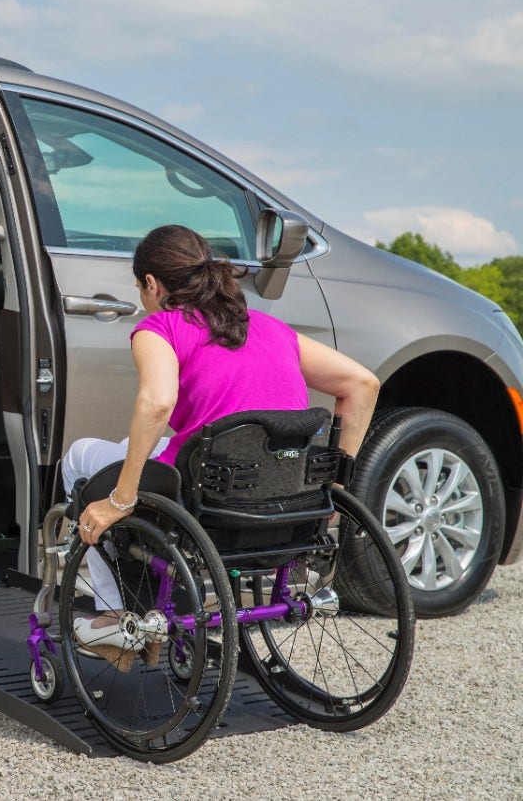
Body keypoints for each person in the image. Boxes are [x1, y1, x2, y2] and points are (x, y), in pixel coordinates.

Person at [63, 224, 380, 669]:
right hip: (283, 495)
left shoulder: (161, 326)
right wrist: (335, 492)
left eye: (141, 289)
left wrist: (121, 498)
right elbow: (363, 385)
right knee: (159, 445)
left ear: (152, 285)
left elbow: (157, 403)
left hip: (207, 489)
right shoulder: (273, 328)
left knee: (78, 458)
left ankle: (118, 616)